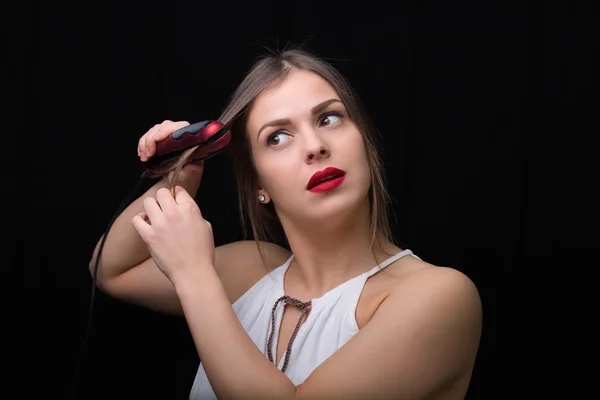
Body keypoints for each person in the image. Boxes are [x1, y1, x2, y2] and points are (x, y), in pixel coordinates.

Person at [89, 48, 482, 399]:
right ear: (259, 185)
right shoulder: (252, 270)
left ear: (365, 141)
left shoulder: (439, 296)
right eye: (277, 137)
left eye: (329, 118)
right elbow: (112, 268)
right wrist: (183, 175)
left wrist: (193, 276)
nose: (315, 146)